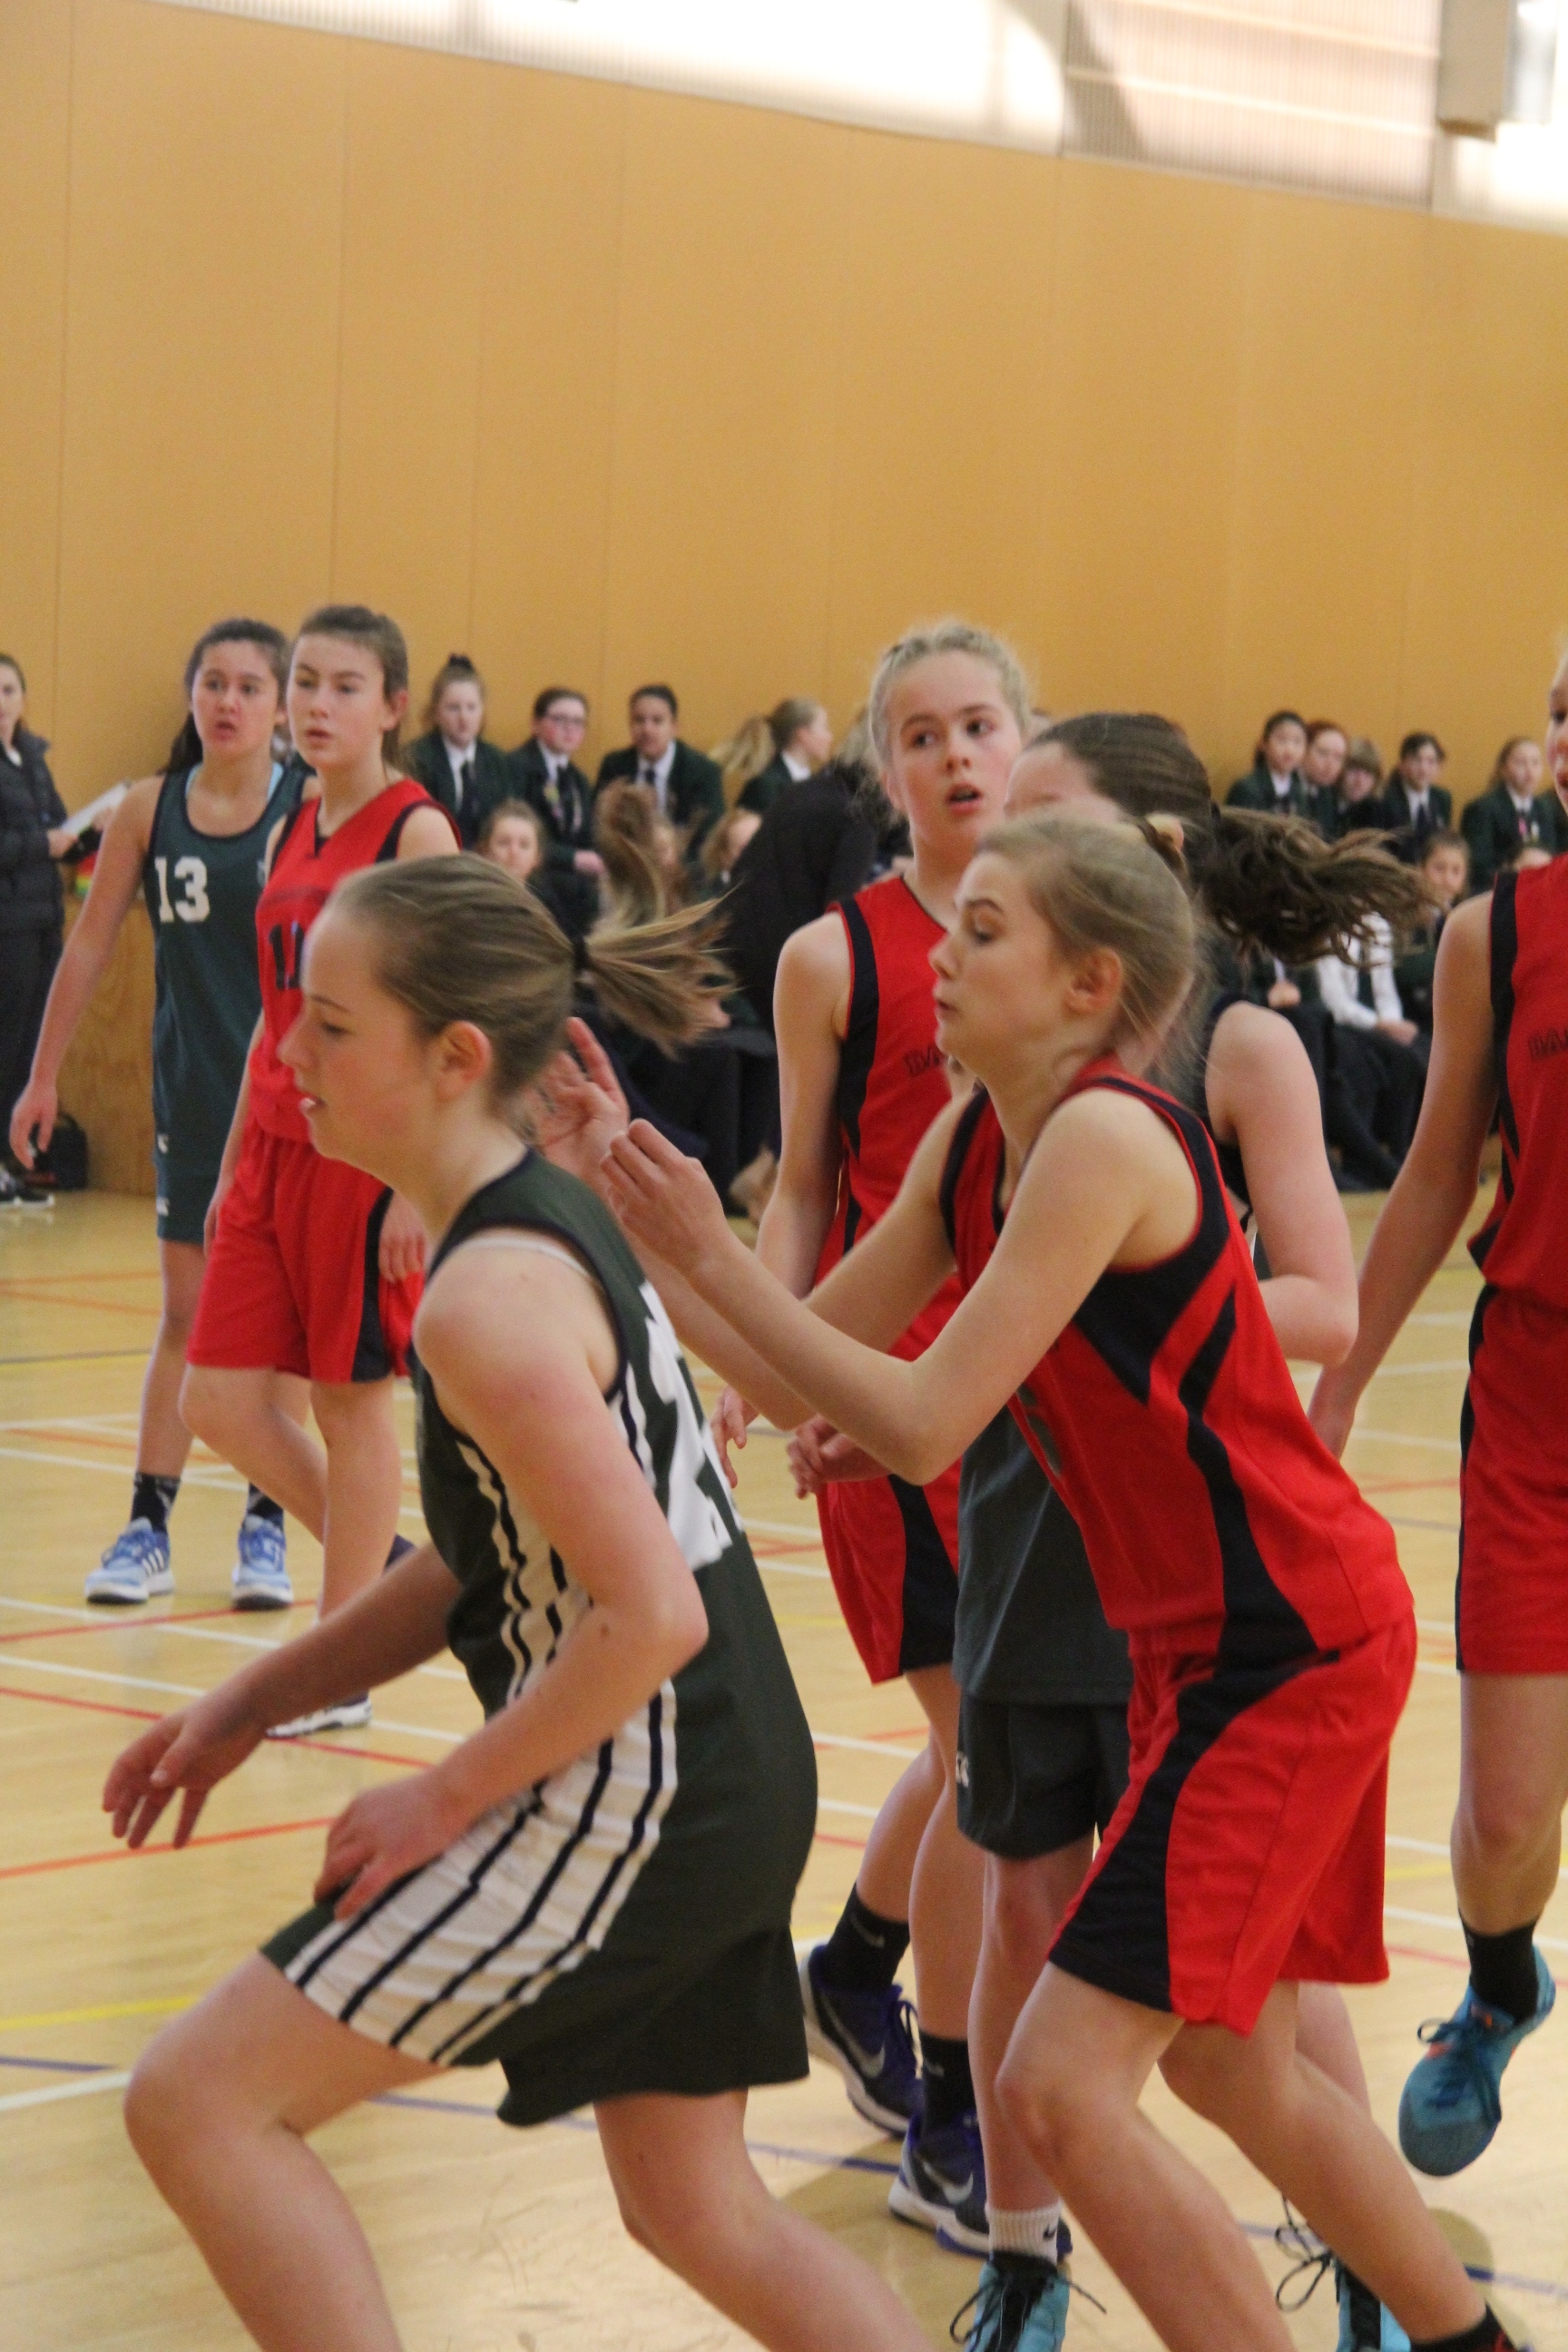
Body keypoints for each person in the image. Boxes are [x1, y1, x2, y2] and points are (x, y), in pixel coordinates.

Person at [603, 811, 1515, 2352]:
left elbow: (920, 1420)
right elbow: (799, 1356)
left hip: (1287, 1643)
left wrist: (713, 1253)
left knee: (1057, 2085)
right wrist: (641, 1222)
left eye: (983, 931)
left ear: (1090, 984)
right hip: (1201, 1653)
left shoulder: (1106, 1139)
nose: (940, 957)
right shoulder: (975, 1142)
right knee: (1225, 2063)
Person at [103, 854, 934, 2352]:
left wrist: (443, 1796)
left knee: (199, 2101)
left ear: (455, 1058)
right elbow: (486, 1555)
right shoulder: (547, 1212)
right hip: (730, 1762)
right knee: (695, 2207)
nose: (287, 1050)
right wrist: (253, 1696)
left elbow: (651, 1614)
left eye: (331, 1025)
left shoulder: (489, 1296)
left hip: (650, 1787)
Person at [797, 712, 1425, 2352]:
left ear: (1139, 871)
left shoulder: (1217, 1059)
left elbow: (1323, 1298)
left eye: (1041, 812)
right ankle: (1024, 2258)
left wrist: (1122, 1308)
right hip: (1048, 1519)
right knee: (1040, 1904)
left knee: (1241, 1999)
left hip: (1225, 1555)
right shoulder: (1001, 1096)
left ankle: (1371, 2275)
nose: (996, 826)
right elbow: (888, 1325)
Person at [720, 620, 1029, 2252]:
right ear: (883, 764)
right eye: (922, 734)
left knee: (981, 1750)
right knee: (989, 1757)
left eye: (979, 724)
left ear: (1024, 739)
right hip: (891, 1400)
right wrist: (763, 1355)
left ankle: (851, 1967)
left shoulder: (1067, 930)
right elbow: (798, 1187)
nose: (955, 755)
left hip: (1036, 1401)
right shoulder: (834, 955)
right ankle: (953, 2117)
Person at [1311, 648, 1568, 2190]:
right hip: (1534, 1395)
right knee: (1502, 1813)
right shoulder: (1497, 931)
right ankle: (1497, 1987)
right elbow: (1432, 1172)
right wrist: (1339, 1377)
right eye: (1564, 712)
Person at [177, 605, 458, 1729]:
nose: (315, 705)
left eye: (345, 686)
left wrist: (416, 1182)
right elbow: (274, 1005)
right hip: (273, 1141)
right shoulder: (292, 824)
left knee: (350, 1406)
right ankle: (390, 1571)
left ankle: (344, 1667)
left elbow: (457, 1013)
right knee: (215, 1398)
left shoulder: (416, 832)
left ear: (393, 705)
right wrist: (231, 1156)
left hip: (362, 1155)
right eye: (305, 682)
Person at [10, 620, 308, 1606]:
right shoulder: (149, 807)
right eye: (213, 682)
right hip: (193, 1092)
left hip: (297, 1103)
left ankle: (267, 1524)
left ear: (280, 706)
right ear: (192, 695)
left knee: (290, 1326)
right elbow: (90, 945)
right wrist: (42, 1076)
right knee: (186, 1314)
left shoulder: (309, 808)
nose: (228, 701)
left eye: (250, 686)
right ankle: (147, 1525)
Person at [717, 752, 880, 1032]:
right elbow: (839, 915)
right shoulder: (859, 814)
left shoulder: (803, 791)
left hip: (733, 944)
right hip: (785, 965)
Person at [0, 652, 71, 1190]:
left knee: (30, 1046)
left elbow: (59, 824)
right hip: (7, 923)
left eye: (8, 690)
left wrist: (89, 832)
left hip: (44, 917)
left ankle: (13, 1165)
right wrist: (41, 844)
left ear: (23, 699)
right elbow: (28, 841)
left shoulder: (33, 759)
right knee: (5, 1042)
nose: (0, 702)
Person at [1316, 916, 1426, 1172]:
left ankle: (1410, 1149)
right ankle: (1389, 1156)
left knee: (1422, 1053)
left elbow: (1385, 991)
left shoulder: (1377, 925)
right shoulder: (1329, 927)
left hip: (1380, 1025)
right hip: (1343, 1025)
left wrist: (1393, 1023)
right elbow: (1335, 1001)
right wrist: (1380, 1024)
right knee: (1403, 1059)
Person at [506, 685, 603, 935]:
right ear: (536, 724)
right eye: (560, 719)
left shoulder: (578, 780)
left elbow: (587, 835)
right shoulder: (516, 768)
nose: (570, 729)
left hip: (573, 878)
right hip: (534, 872)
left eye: (578, 722)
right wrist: (573, 858)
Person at [596, 684, 725, 858]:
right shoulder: (615, 765)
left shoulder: (702, 771)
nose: (647, 730)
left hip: (683, 863)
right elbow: (600, 825)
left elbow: (709, 836)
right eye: (639, 720)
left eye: (657, 721)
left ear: (674, 727)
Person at [401, 654, 510, 849]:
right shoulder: (416, 758)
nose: (464, 718)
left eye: (471, 708)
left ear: (482, 711)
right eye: (453, 708)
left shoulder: (497, 761)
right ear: (436, 712)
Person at [1460, 736, 1567, 892]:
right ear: (1503, 768)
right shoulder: (1483, 809)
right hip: (1499, 891)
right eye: (1521, 763)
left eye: (1535, 763)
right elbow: (1479, 866)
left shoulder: (1548, 808)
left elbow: (1556, 854)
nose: (1529, 771)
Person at [1394, 832, 1468, 1032]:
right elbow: (1401, 969)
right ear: (1421, 869)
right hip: (1412, 1016)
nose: (1447, 879)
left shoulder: (1465, 918)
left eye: (1456, 871)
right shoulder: (1404, 914)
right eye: (1439, 868)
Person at [1226, 711, 1325, 831]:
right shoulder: (1246, 788)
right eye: (1282, 740)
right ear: (1263, 744)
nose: (1289, 750)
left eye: (1297, 741)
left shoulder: (1299, 789)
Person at [735, 700, 835, 817]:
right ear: (803, 734)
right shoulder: (765, 785)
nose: (830, 737)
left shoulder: (818, 783)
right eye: (824, 728)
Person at [1375, 733, 1452, 865]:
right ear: (1402, 764)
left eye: (1431, 761)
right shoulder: (1385, 799)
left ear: (1439, 767)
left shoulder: (1442, 798)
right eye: (1416, 760)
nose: (1423, 768)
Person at [1330, 740, 1386, 838]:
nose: (1359, 781)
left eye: (1367, 774)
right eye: (1354, 770)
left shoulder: (1373, 812)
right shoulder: (1324, 800)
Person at [1302, 720, 1348, 808]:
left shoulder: (1327, 795)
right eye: (1323, 753)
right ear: (1304, 750)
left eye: (1338, 757)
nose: (1330, 765)